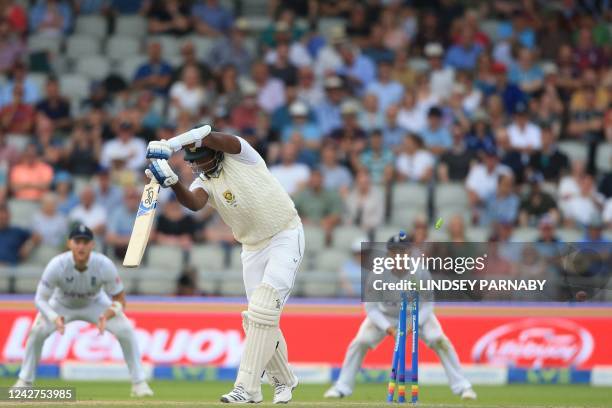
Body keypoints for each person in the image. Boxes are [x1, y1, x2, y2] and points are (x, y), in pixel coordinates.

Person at [145, 127, 304, 403]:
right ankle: (285, 380)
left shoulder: (242, 154)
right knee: (256, 318)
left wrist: (170, 144)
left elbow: (211, 135)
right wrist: (172, 183)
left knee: (264, 308)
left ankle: (247, 388)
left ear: (214, 153)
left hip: (284, 234)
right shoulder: (205, 180)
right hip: (252, 247)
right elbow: (194, 203)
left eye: (200, 159)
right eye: (192, 162)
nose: (196, 166)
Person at [324, 231, 477, 401]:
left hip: (415, 314)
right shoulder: (378, 273)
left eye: (402, 251)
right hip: (385, 316)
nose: (399, 255)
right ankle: (342, 387)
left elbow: (427, 304)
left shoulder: (420, 272)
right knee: (360, 342)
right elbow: (371, 308)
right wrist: (388, 329)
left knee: (439, 339)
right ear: (389, 253)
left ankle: (463, 387)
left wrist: (413, 324)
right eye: (395, 251)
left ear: (409, 252)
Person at [12, 224, 153, 397]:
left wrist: (106, 314)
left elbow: (120, 300)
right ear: (69, 243)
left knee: (125, 329)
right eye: (77, 242)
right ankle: (24, 382)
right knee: (36, 331)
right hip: (61, 304)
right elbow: (40, 299)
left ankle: (139, 383)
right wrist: (54, 317)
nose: (81, 246)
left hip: (95, 303)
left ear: (92, 245)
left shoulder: (103, 265)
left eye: (85, 242)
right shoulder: (57, 265)